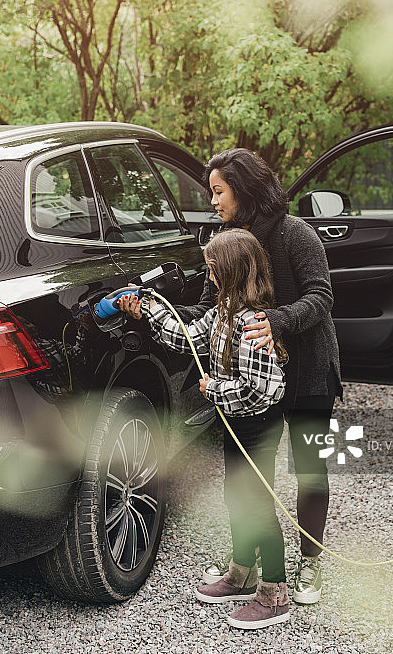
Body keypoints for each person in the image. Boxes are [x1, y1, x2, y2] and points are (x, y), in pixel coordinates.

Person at [177, 148, 342, 605]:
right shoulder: (228, 241)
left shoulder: (296, 235)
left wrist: (277, 320)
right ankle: (245, 564)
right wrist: (165, 313)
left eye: (218, 191)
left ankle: (310, 562)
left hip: (310, 375)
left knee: (311, 470)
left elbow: (322, 297)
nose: (213, 201)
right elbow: (215, 306)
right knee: (248, 477)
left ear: (243, 191)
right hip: (254, 380)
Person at [119, 228, 291, 629]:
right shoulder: (224, 310)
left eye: (213, 271)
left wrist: (215, 388)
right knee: (236, 497)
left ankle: (274, 594)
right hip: (237, 422)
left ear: (230, 273)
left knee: (259, 507)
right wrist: (148, 311)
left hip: (257, 427)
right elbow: (186, 338)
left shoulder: (250, 325)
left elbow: (263, 390)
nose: (208, 278)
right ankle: (243, 572)